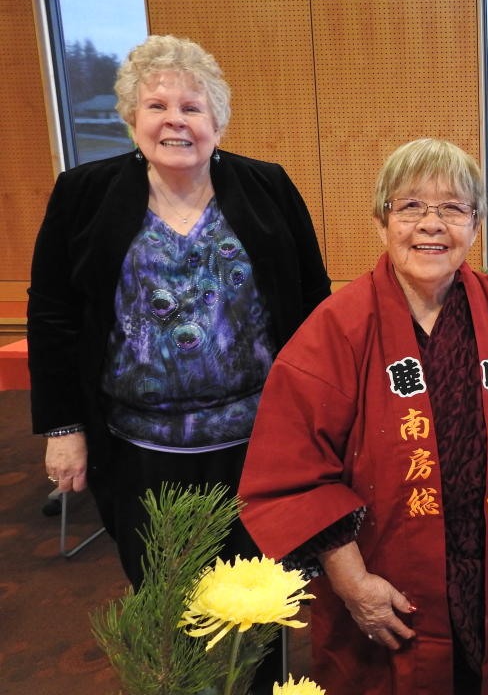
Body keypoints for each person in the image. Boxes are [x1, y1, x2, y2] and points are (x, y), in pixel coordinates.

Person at [238, 138, 488, 695]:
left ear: (476, 223)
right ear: (381, 221)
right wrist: (352, 583)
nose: (432, 224)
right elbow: (293, 469)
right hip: (383, 572)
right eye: (411, 206)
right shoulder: (337, 328)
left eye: (453, 208)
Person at [30, 34, 332, 593]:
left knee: (259, 597)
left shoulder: (268, 186)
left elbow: (311, 300)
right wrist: (63, 427)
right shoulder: (83, 193)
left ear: (217, 120)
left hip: (258, 442)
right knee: (167, 597)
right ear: (131, 116)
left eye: (192, 107)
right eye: (157, 106)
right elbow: (54, 314)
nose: (176, 121)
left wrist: (323, 418)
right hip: (139, 449)